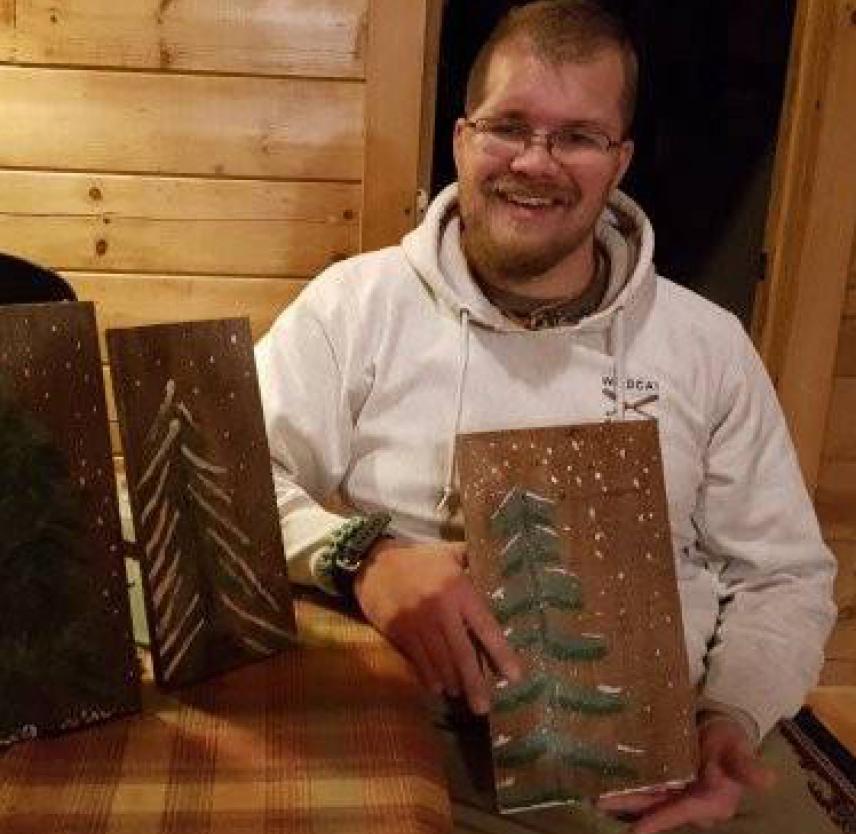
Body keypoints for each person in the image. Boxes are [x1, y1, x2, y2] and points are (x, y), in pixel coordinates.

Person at [254, 2, 837, 831]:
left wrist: (730, 716)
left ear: (619, 160)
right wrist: (361, 554)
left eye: (577, 136)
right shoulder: (354, 306)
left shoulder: (707, 346)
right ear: (461, 137)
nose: (536, 161)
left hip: (668, 739)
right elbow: (237, 483)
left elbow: (785, 575)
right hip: (420, 732)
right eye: (510, 126)